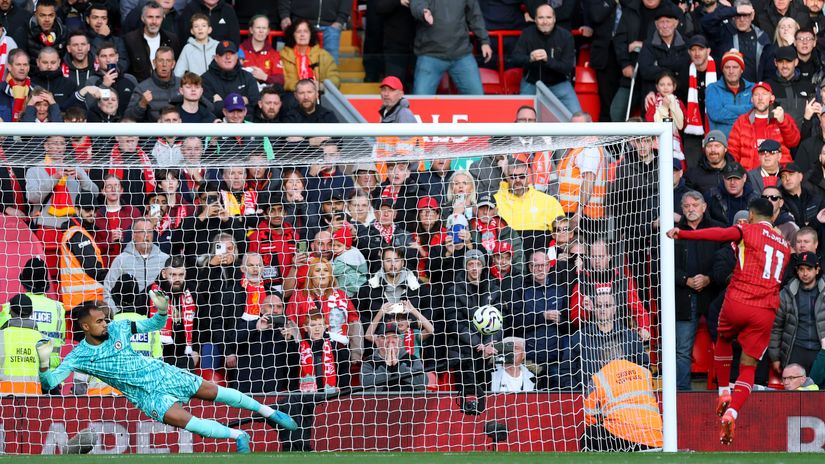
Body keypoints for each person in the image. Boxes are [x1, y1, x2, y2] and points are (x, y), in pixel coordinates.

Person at [37, 296, 298, 453]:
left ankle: (269, 412)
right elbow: (50, 383)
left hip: (161, 373)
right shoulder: (78, 356)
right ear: (85, 326)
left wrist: (161, 311)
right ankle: (239, 436)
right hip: (145, 396)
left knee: (215, 393)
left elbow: (153, 325)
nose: (106, 323)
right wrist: (44, 363)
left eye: (106, 319)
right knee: (189, 422)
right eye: (99, 321)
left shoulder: (118, 328)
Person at [666, 197, 791, 445]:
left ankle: (724, 393)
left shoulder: (747, 230)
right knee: (748, 366)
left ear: (752, 216)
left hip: (738, 300)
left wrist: (683, 234)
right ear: (773, 218)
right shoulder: (785, 245)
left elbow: (720, 233)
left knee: (723, 338)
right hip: (765, 308)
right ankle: (733, 412)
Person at [674, 190, 724, 390]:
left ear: (704, 207)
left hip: (714, 296)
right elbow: (663, 265)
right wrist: (685, 280)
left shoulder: (719, 230)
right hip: (685, 297)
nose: (690, 209)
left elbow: (726, 263)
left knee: (722, 345)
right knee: (682, 350)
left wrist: (709, 278)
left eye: (695, 205)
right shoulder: (674, 232)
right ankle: (682, 392)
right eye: (686, 206)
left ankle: (723, 388)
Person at [409, 0, 492, 95]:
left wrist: (484, 41)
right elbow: (417, 3)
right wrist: (423, 11)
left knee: (477, 99)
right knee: (421, 103)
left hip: (461, 54)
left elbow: (475, 15)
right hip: (430, 54)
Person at [579, 358, 664, 451]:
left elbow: (590, 415)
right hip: (654, 437)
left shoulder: (598, 378)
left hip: (620, 436)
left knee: (589, 436)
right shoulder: (645, 371)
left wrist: (601, 421)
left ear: (600, 362)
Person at [512, 4, 579, 112]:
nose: (545, 21)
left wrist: (548, 60)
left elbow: (567, 67)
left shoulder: (566, 36)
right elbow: (515, 59)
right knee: (521, 118)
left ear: (554, 19)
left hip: (559, 84)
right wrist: (530, 58)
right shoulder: (527, 33)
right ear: (535, 19)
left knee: (578, 118)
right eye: (541, 18)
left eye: (548, 17)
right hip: (532, 83)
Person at [0, 258, 63, 369]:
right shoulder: (59, 309)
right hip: (51, 374)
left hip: (18, 369)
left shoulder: (11, 307)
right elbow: (61, 339)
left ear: (24, 281)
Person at [770, 251, 825, 375]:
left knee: (821, 392)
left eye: (809, 269)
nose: (805, 273)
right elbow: (776, 327)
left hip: (821, 351)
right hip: (795, 350)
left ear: (817, 270)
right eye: (801, 269)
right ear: (797, 270)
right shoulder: (786, 294)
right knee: (794, 393)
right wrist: (775, 357)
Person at [728, 81, 800, 170]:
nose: (760, 98)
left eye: (764, 94)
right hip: (750, 177)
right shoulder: (741, 121)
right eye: (756, 94)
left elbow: (794, 142)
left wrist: (782, 122)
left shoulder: (783, 118)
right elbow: (732, 153)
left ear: (772, 98)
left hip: (779, 177)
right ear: (752, 99)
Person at [103, 218, 170, 310]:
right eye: (142, 232)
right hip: (130, 319)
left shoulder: (165, 259)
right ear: (133, 235)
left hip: (158, 318)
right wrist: (117, 315)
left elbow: (173, 289)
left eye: (150, 231)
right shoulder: (121, 260)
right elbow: (107, 291)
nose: (147, 235)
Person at [123, 1, 181, 82]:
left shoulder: (172, 39)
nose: (154, 21)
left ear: (163, 17)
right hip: (139, 89)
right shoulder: (130, 40)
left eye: (158, 17)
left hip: (166, 88)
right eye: (150, 17)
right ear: (142, 18)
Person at [0, 294, 47, 395]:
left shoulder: (1, 336)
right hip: (34, 401)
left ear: (10, 311)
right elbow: (45, 375)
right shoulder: (43, 339)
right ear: (32, 312)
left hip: (4, 400)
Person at [361, 321, 427, 392]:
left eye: (395, 337)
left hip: (408, 401)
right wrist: (386, 367)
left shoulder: (412, 359)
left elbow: (423, 383)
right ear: (377, 342)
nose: (390, 341)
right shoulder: (369, 362)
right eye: (385, 337)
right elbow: (367, 388)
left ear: (400, 341)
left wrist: (398, 366)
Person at [279, 19, 340, 93]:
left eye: (305, 31)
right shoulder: (283, 55)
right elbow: (282, 81)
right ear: (293, 35)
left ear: (311, 34)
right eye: (298, 32)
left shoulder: (323, 55)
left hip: (318, 92)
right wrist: (301, 86)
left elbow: (335, 79)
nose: (302, 35)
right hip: (293, 93)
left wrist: (320, 86)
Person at [705, 49, 755, 136]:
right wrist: (746, 116)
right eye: (727, 67)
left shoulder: (753, 88)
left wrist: (727, 107)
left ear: (742, 70)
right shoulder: (713, 89)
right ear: (723, 70)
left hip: (747, 142)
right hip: (721, 145)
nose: (731, 71)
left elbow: (756, 113)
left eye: (735, 67)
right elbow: (716, 114)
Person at [240, 15, 285, 89]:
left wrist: (265, 77)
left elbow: (281, 79)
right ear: (251, 30)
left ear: (268, 31)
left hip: (266, 93)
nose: (261, 31)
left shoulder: (274, 54)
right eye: (258, 27)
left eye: (264, 28)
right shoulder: (239, 50)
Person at [174, 13, 218, 78]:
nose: (200, 28)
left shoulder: (217, 46)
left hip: (216, 87)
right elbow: (178, 73)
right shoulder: (188, 48)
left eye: (203, 26)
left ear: (209, 29)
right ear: (192, 31)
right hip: (196, 86)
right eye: (196, 26)